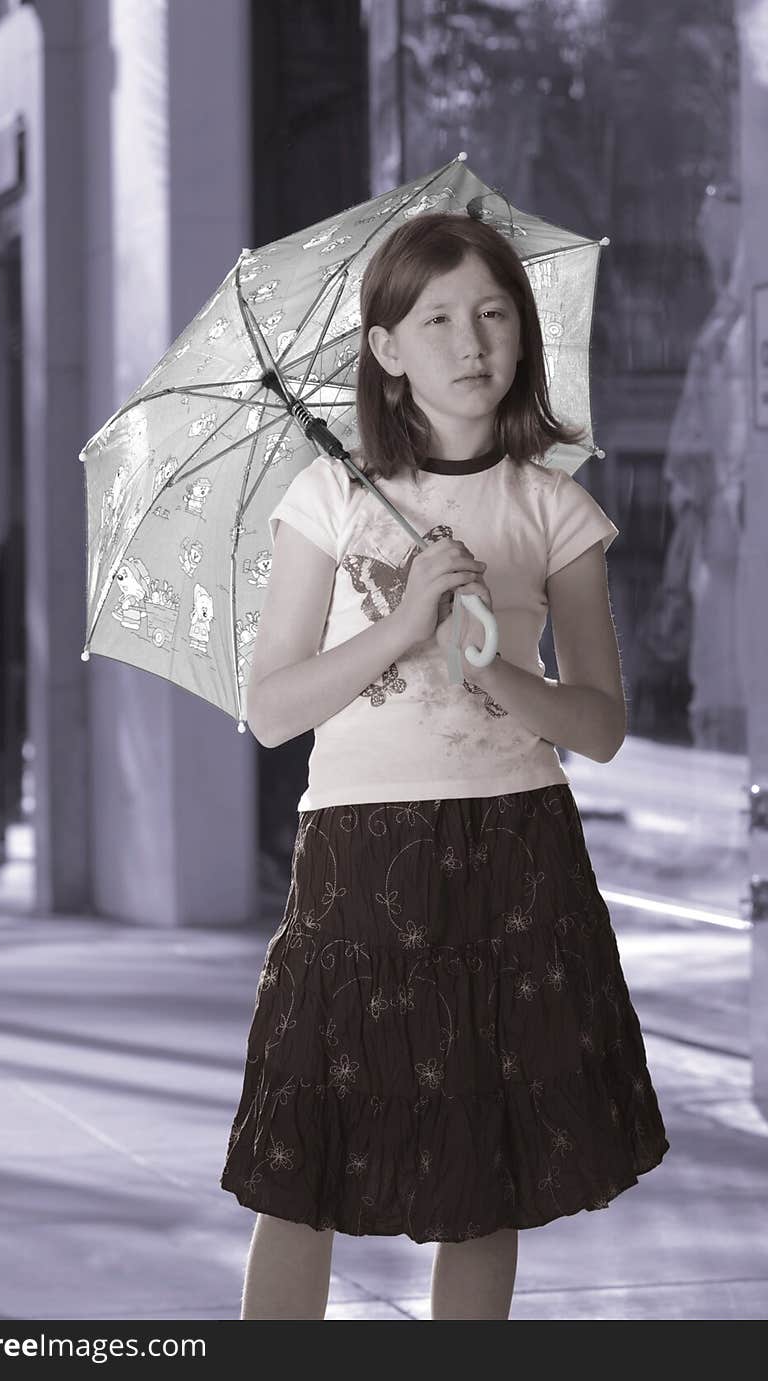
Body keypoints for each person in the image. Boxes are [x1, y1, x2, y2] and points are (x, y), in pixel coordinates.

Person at [220, 210, 669, 1319]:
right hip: (360, 850)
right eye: (437, 319)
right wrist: (401, 623)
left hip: (513, 846)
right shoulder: (324, 497)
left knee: (486, 1173)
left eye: (493, 315)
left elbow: (601, 724)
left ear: (521, 335)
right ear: (386, 349)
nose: (470, 344)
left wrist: (499, 678)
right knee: (304, 1167)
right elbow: (272, 709)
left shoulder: (553, 508)